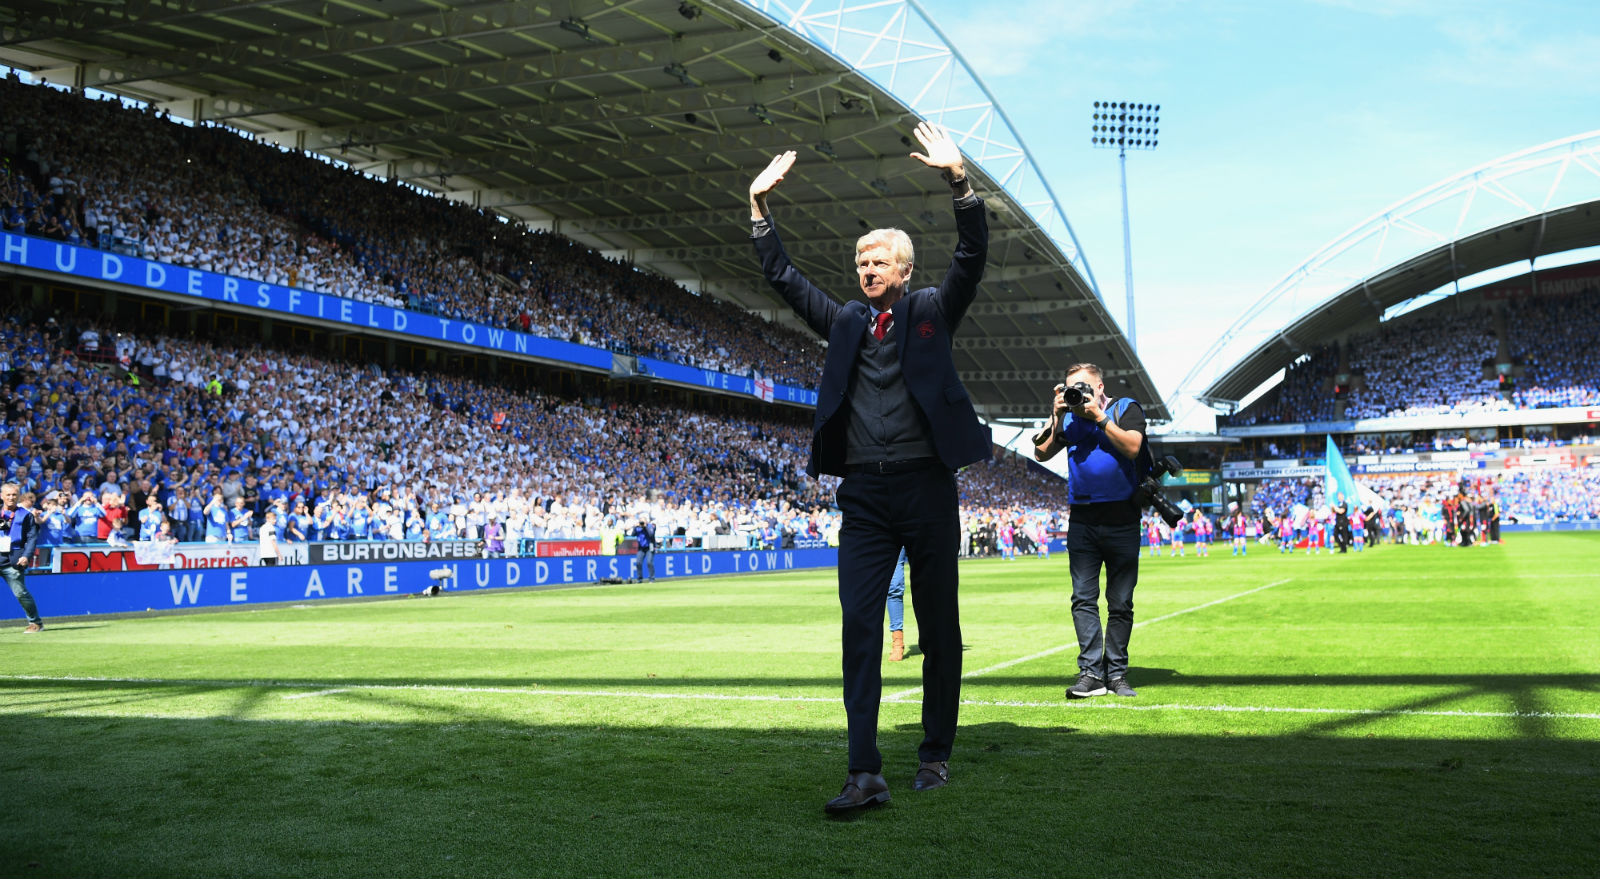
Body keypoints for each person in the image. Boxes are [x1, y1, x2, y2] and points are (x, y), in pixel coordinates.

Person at [749, 121, 989, 813]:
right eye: (860, 258)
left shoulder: (930, 311)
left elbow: (971, 258)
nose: (866, 266)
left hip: (926, 486)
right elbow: (786, 280)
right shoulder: (848, 320)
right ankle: (864, 771)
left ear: (905, 269)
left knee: (937, 624)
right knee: (859, 626)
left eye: (878, 258)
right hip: (865, 497)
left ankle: (935, 753)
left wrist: (959, 183)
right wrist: (760, 209)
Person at [1033, 362, 1147, 701]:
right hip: (1081, 519)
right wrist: (1055, 416)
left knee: (1120, 602)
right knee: (1083, 598)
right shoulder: (1068, 417)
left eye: (1083, 387)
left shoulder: (1124, 408)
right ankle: (1091, 673)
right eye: (1072, 388)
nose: (1078, 393)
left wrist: (1098, 416)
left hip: (1122, 517)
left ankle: (1117, 674)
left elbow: (1132, 447)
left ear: (1100, 387)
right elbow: (1040, 453)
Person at [1, 482, 45, 633]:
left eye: (14, 495)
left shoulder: (25, 515)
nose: (11, 498)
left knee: (20, 593)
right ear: (2, 496)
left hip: (14, 560)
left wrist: (26, 556)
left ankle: (36, 623)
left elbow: (32, 538)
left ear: (18, 496)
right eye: (8, 495)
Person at [886, 547, 908, 662]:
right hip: (894, 532)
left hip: (920, 530)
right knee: (894, 586)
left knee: (925, 585)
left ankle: (929, 642)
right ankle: (898, 642)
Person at [630, 513, 657, 583]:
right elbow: (632, 534)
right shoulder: (638, 528)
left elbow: (651, 534)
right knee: (638, 562)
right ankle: (639, 578)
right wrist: (635, 527)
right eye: (641, 522)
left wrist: (645, 527)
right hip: (641, 548)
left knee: (649, 562)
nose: (642, 523)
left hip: (649, 547)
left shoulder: (650, 526)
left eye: (643, 521)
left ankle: (652, 578)